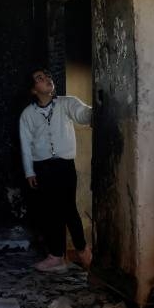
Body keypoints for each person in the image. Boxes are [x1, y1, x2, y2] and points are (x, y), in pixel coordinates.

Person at [19, 67, 93, 272]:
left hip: (64, 166)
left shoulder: (66, 103)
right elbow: (25, 144)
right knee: (50, 212)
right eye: (40, 78)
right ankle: (56, 256)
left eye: (47, 76)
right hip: (42, 168)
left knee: (69, 208)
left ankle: (83, 250)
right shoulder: (28, 114)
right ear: (34, 89)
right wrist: (29, 171)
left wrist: (95, 112)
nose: (47, 79)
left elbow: (82, 113)